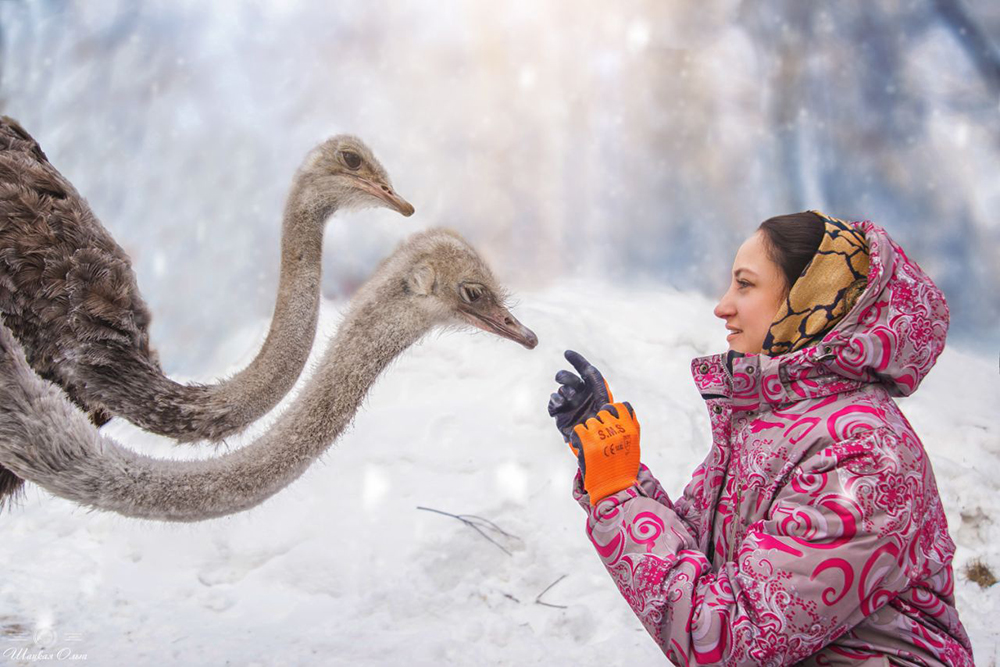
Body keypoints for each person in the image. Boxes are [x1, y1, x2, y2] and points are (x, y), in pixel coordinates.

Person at [547, 211, 973, 666]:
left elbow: (731, 642)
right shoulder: (772, 425)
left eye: (745, 285)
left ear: (811, 297)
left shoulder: (861, 452)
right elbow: (697, 553)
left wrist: (619, 493)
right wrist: (615, 471)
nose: (722, 306)